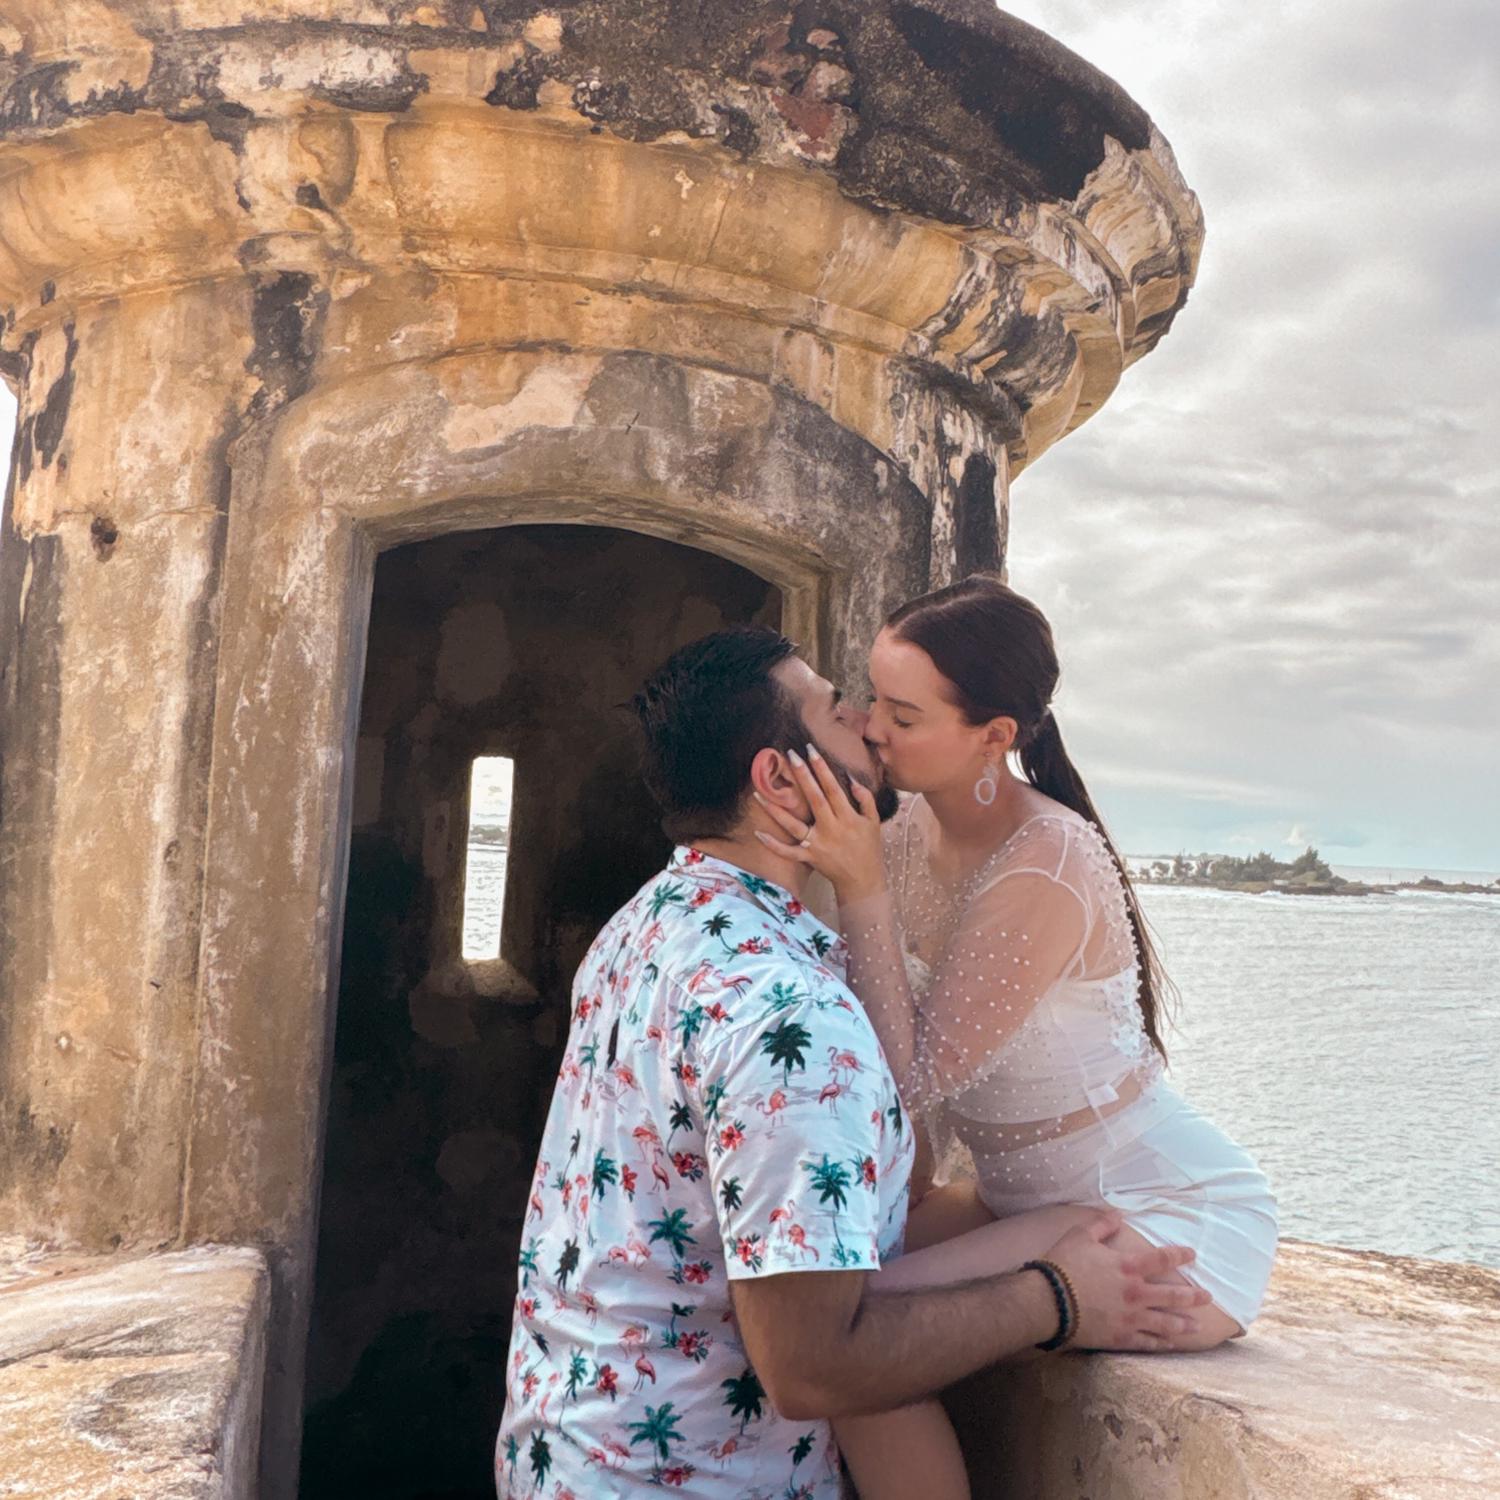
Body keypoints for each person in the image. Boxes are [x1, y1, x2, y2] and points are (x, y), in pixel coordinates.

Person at [494, 624, 1211, 1499]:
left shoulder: (639, 930)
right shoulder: (789, 1015)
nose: (869, 726)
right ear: (778, 777)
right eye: (841, 713)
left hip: (565, 1452)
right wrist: (1058, 1296)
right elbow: (814, 1368)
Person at [753, 576, 1280, 1500]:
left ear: (995, 737)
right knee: (810, 1299)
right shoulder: (907, 830)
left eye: (905, 715)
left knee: (859, 1339)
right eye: (872, 697)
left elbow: (904, 1076)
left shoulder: (1047, 858)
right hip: (1018, 1202)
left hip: (1159, 1211)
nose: (873, 727)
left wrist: (861, 886)